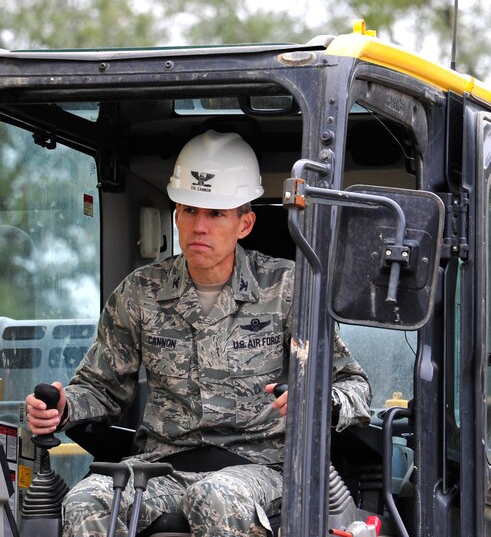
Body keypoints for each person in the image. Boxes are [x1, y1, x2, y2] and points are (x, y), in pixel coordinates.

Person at [25, 130, 372, 537]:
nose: (198, 227)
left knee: (216, 496)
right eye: (189, 210)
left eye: (215, 214)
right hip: (162, 467)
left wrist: (318, 404)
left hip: (261, 468)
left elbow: (354, 386)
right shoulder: (141, 292)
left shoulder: (289, 289)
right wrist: (63, 408)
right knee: (86, 501)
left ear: (245, 223)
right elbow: (100, 388)